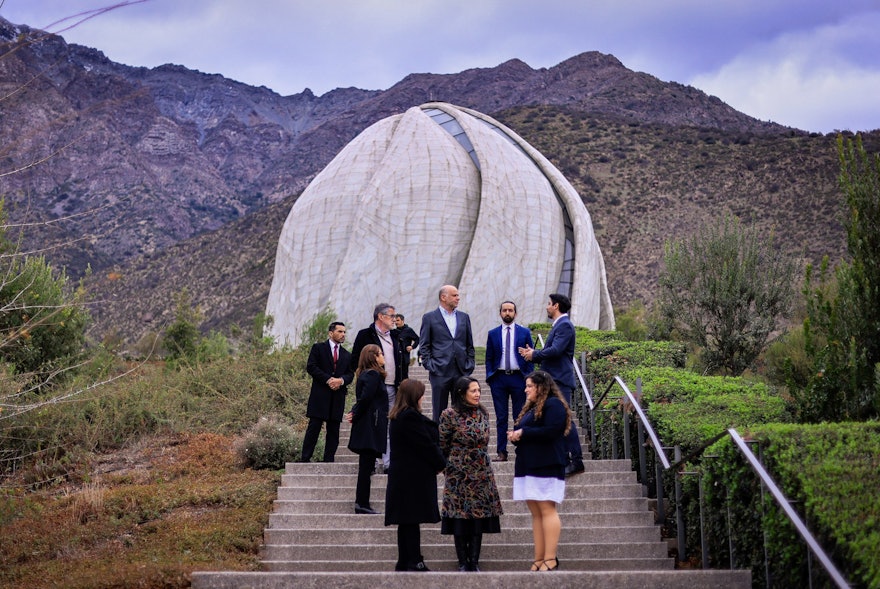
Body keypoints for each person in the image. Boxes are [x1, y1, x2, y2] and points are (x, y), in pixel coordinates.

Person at [507, 370, 572, 572]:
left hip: (547, 463)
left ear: (541, 387)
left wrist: (523, 432)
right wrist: (518, 435)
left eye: (529, 386)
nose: (525, 390)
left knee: (546, 509)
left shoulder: (553, 404)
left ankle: (550, 559)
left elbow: (552, 430)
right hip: (529, 463)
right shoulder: (534, 406)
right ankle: (539, 558)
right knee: (536, 513)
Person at [439, 377, 503, 572]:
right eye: (473, 391)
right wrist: (448, 466)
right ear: (461, 393)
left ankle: (474, 561)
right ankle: (462, 561)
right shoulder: (449, 415)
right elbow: (443, 444)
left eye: (478, 390)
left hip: (481, 471)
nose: (477, 394)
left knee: (478, 517)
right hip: (458, 472)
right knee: (459, 517)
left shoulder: (482, 413)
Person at [518, 293, 585, 477]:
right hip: (553, 380)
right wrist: (535, 352)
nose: (547, 307)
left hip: (560, 380)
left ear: (556, 306)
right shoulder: (559, 325)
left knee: (564, 420)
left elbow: (556, 351)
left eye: (549, 304)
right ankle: (562, 458)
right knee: (555, 420)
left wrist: (535, 355)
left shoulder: (565, 325)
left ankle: (576, 460)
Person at [384, 379, 446, 572]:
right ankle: (413, 560)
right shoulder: (409, 417)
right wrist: (441, 464)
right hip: (411, 478)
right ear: (415, 396)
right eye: (421, 394)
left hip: (405, 477)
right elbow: (425, 444)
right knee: (410, 520)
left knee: (407, 522)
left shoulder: (399, 416)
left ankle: (406, 559)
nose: (424, 397)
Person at [351, 303, 405, 470]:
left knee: (390, 424)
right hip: (373, 387)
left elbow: (401, 361)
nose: (395, 320)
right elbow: (355, 359)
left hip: (392, 387)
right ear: (381, 317)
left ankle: (388, 463)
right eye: (391, 316)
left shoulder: (396, 336)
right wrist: (364, 380)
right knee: (373, 424)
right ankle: (371, 461)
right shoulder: (365, 335)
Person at [485, 301, 534, 462]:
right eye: (505, 310)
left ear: (515, 313)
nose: (508, 313)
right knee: (501, 417)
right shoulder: (493, 333)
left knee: (520, 415)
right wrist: (490, 377)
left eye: (510, 310)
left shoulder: (524, 332)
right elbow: (489, 357)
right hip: (498, 378)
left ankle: (521, 450)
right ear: (500, 313)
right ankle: (501, 452)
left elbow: (530, 355)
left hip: (518, 378)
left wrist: (528, 376)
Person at [419, 285, 476, 421]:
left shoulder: (464, 317)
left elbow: (469, 344)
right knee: (439, 412)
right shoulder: (429, 318)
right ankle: (438, 441)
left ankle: (459, 441)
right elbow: (424, 345)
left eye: (458, 295)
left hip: (461, 370)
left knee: (462, 412)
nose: (458, 298)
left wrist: (470, 364)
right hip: (439, 372)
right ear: (443, 297)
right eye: (454, 295)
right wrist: (431, 365)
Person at [300, 321, 354, 462]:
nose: (343, 334)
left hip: (337, 396)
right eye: (340, 331)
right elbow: (311, 367)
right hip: (320, 395)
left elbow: (350, 374)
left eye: (344, 332)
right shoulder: (318, 348)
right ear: (331, 333)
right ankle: (305, 458)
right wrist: (329, 380)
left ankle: (328, 460)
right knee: (314, 428)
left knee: (334, 430)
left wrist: (340, 381)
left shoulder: (347, 355)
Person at [345, 345, 388, 515]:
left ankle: (362, 503)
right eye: (381, 354)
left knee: (367, 467)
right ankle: (361, 503)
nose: (383, 356)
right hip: (370, 426)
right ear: (373, 357)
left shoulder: (369, 374)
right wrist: (354, 412)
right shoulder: (372, 374)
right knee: (365, 468)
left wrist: (355, 412)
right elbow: (366, 398)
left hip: (369, 424)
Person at [393, 313, 419, 378]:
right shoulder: (394, 331)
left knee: (404, 376)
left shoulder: (408, 330)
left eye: (398, 320)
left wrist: (412, 347)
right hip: (396, 358)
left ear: (402, 321)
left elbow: (417, 339)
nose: (396, 322)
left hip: (405, 357)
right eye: (395, 321)